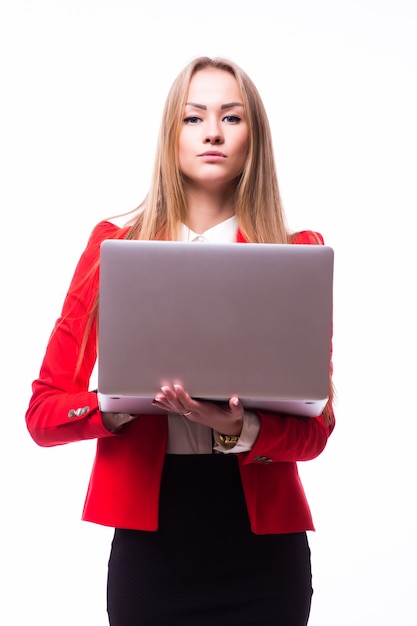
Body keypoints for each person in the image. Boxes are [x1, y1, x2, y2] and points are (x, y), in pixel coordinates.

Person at [26, 56, 335, 626]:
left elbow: (315, 433)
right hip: (153, 550)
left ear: (254, 138)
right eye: (194, 118)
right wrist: (116, 406)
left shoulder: (295, 254)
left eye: (231, 117)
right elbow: (43, 412)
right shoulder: (110, 249)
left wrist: (234, 427)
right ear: (171, 134)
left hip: (264, 555)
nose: (213, 131)